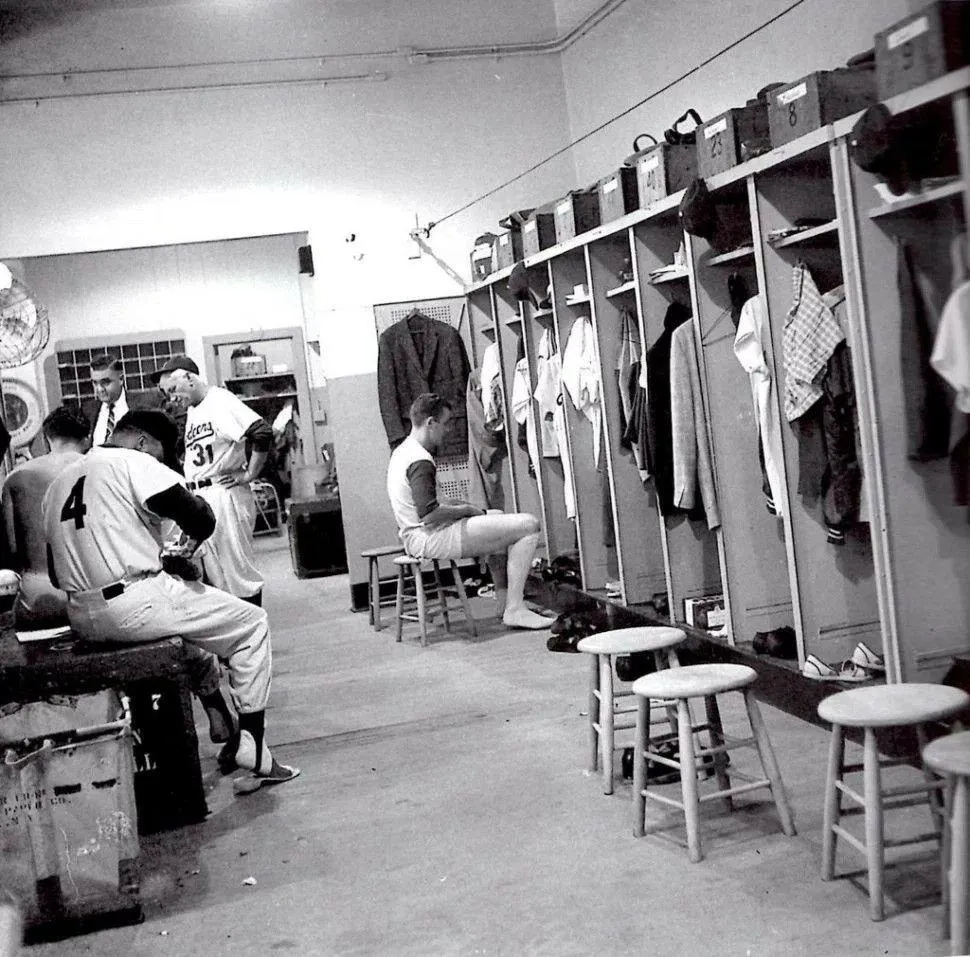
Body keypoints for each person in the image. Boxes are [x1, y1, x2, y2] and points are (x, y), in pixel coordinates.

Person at [42, 409, 299, 794]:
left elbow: (53, 571)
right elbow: (199, 518)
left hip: (80, 612)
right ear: (144, 441)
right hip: (133, 603)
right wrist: (183, 547)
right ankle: (252, 746)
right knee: (251, 625)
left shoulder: (60, 481)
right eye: (162, 454)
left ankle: (221, 716)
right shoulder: (133, 460)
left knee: (194, 636)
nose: (162, 462)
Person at [386, 392, 550, 630]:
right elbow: (429, 513)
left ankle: (505, 602)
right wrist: (467, 509)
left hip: (419, 535)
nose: (449, 430)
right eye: (445, 424)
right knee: (529, 525)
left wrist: (469, 510)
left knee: (497, 517)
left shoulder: (402, 452)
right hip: (430, 538)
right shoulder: (420, 460)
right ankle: (515, 608)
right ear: (430, 423)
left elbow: (427, 504)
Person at [155, 356, 273, 605]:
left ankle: (255, 636)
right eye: (167, 394)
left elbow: (261, 432)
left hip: (223, 492)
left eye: (173, 389)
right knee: (216, 575)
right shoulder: (194, 409)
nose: (172, 398)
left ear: (189, 378)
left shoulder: (219, 400)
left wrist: (250, 474)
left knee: (238, 573)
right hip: (203, 494)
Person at [1, 407, 88, 626]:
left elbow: (12, 549)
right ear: (87, 438)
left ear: (47, 438)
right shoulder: (103, 468)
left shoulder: (15, 478)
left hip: (39, 600)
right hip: (94, 595)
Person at [86, 354, 163, 447]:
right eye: (95, 383)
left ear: (121, 379)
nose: (99, 389)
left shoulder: (145, 405)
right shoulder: (88, 411)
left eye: (105, 382)